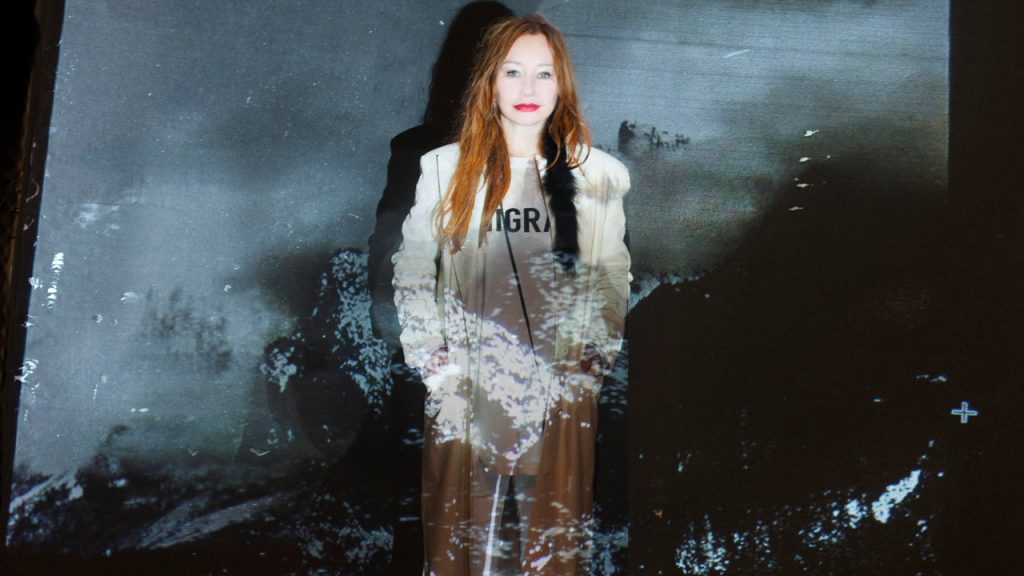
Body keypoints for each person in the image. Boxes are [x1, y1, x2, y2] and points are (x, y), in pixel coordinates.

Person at [392, 13, 630, 575]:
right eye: (513, 71)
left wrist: (590, 365)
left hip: (557, 399)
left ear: (562, 84)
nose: (529, 87)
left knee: (551, 555)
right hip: (469, 396)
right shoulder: (445, 170)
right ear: (490, 81)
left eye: (544, 73)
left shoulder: (597, 175)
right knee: (463, 555)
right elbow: (413, 267)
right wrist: (433, 360)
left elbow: (610, 276)